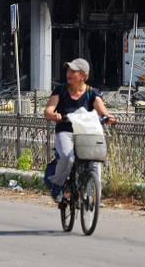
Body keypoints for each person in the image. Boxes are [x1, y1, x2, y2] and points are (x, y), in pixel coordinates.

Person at [43, 58, 116, 202]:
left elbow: (103, 112)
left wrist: (109, 118)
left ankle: (92, 195)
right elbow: (48, 111)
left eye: (73, 71)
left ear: (83, 75)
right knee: (67, 157)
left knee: (94, 162)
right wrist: (54, 115)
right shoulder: (60, 90)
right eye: (68, 70)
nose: (69, 73)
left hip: (86, 133)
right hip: (66, 130)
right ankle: (57, 186)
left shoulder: (91, 93)